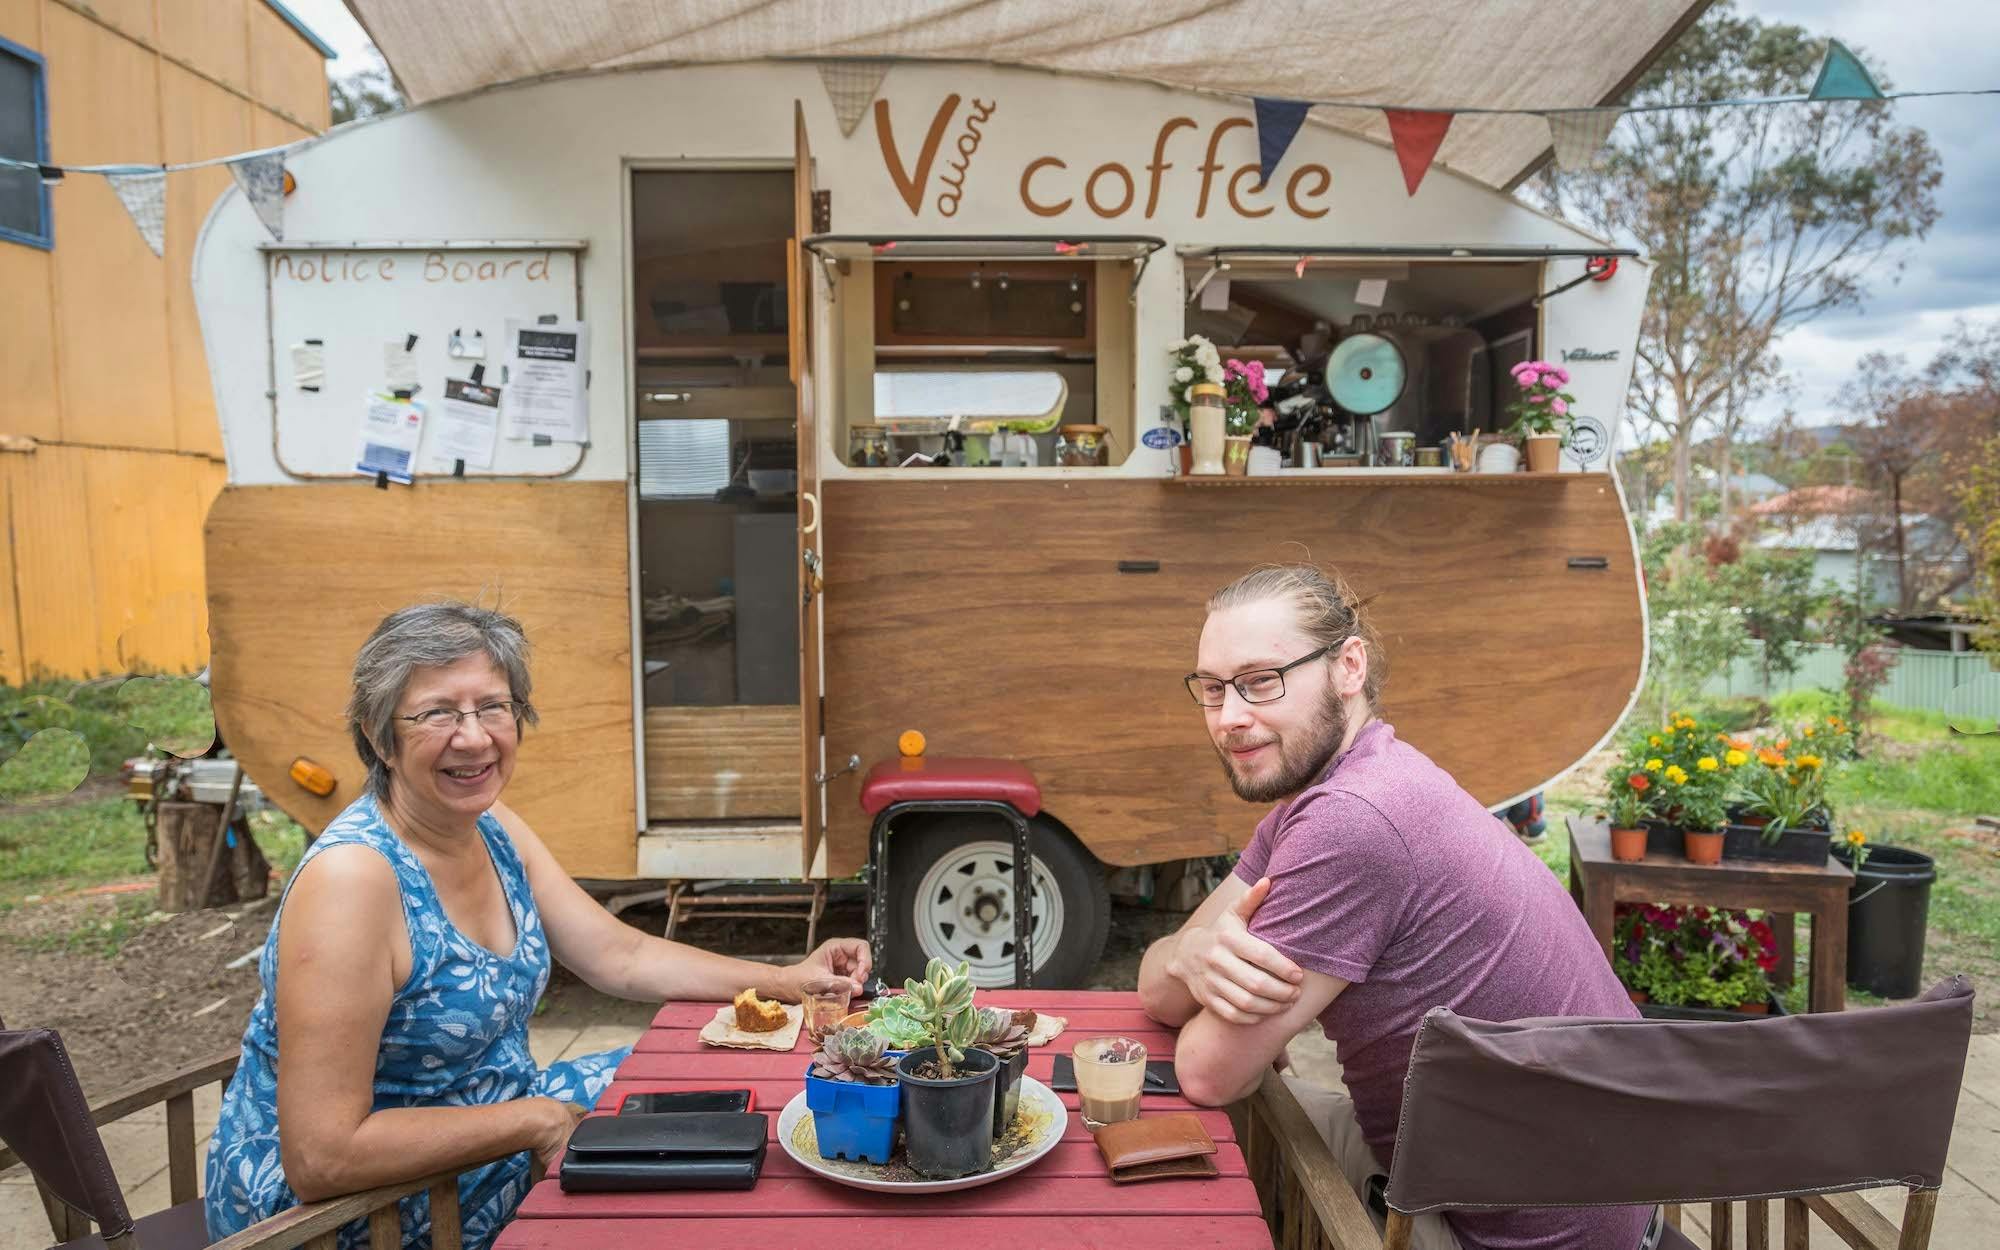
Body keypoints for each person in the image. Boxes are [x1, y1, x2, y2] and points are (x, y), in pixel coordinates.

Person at [205, 603, 869, 1250]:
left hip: (482, 1143)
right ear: (381, 736)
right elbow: (322, 1156)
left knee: (716, 1087)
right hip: (358, 1214)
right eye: (437, 712)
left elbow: (621, 956)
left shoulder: (491, 829)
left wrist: (787, 980)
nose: (474, 737)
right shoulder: (353, 882)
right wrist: (531, 1120)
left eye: (493, 707)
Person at [1137, 565, 1655, 1250]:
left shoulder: (1357, 818)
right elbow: (1157, 988)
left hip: (1520, 1235)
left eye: (1262, 681)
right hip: (1583, 1195)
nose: (1230, 716)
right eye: (1211, 688)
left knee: (1170, 1136)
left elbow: (1209, 1070)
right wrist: (1191, 954)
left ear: (1348, 665)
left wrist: (1191, 968)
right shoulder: (1342, 785)